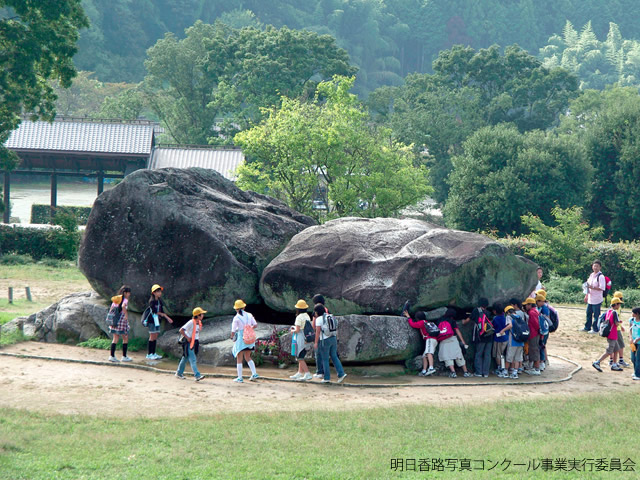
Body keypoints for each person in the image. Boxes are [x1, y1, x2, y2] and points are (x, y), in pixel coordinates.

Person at [313, 303, 347, 384]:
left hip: (325, 340)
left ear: (317, 312)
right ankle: (341, 373)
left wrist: (316, 342)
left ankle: (327, 377)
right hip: (333, 338)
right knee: (334, 356)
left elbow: (317, 332)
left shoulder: (319, 319)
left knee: (325, 359)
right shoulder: (329, 316)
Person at [437, 308, 472, 378]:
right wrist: (463, 341)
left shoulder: (439, 320)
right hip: (452, 339)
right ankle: (465, 372)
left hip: (443, 340)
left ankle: (453, 372)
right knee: (458, 355)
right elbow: (457, 331)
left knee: (448, 357)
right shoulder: (452, 321)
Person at [231, 299, 259, 383]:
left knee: (239, 358)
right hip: (249, 338)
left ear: (236, 309)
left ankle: (240, 377)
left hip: (241, 338)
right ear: (243, 307)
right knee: (248, 357)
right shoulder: (249, 315)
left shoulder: (236, 318)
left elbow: (233, 330)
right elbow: (255, 325)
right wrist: (249, 328)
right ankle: (254, 373)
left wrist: (232, 337)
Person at [592, 297, 624, 372]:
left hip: (611, 334)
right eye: (619, 304)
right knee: (609, 351)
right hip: (612, 334)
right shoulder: (614, 312)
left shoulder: (609, 311)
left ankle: (614, 364)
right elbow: (616, 323)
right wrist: (619, 322)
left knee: (616, 348)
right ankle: (597, 362)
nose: (619, 305)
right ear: (615, 304)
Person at [175, 307, 206, 381]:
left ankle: (179, 373)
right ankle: (197, 375)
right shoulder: (191, 322)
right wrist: (188, 338)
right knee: (193, 359)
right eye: (202, 314)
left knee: (185, 358)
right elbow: (181, 330)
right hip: (189, 343)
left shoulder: (199, 323)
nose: (203, 315)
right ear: (198, 315)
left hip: (195, 342)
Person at [404, 310, 438, 376]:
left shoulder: (422, 322)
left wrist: (408, 317)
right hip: (434, 340)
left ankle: (431, 367)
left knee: (429, 353)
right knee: (424, 356)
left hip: (430, 339)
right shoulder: (427, 322)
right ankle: (424, 371)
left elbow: (413, 325)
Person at [146, 284, 174, 360]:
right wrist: (165, 316)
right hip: (152, 320)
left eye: (160, 291)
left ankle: (154, 353)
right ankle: (149, 354)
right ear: (153, 293)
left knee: (155, 336)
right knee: (152, 337)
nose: (160, 293)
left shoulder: (160, 301)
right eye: (158, 291)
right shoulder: (152, 301)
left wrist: (163, 315)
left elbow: (161, 310)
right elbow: (154, 311)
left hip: (157, 321)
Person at [289, 299, 312, 381]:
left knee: (300, 357)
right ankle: (299, 373)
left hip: (300, 339)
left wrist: (292, 330)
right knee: (301, 355)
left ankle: (307, 373)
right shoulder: (307, 316)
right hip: (306, 339)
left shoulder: (299, 317)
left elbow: (297, 330)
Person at [108, 286, 132, 362]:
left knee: (115, 338)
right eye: (128, 293)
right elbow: (123, 306)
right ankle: (124, 356)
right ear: (125, 293)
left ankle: (112, 356)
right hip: (121, 321)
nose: (129, 294)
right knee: (125, 338)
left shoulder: (116, 299)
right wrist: (126, 315)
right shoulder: (125, 300)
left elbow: (111, 309)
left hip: (114, 321)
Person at [582, 260, 607, 333]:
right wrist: (586, 295)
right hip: (590, 298)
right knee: (588, 313)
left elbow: (602, 288)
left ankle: (595, 329)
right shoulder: (591, 275)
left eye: (597, 266)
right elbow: (587, 286)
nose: (595, 267)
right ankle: (587, 327)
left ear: (600, 267)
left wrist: (592, 287)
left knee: (596, 315)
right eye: (594, 266)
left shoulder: (601, 276)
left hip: (597, 299)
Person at [471, 298, 493, 377]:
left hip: (480, 336)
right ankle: (486, 372)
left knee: (479, 354)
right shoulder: (489, 313)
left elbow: (470, 318)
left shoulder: (476, 311)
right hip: (489, 335)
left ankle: (479, 372)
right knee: (487, 354)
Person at [611, 291, 631, 368]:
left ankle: (612, 360)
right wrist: (619, 325)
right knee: (620, 345)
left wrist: (621, 325)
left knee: (614, 345)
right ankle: (620, 360)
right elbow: (616, 319)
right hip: (616, 329)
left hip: (617, 328)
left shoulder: (614, 307)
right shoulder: (616, 308)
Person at [311, 294, 328, 379]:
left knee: (318, 354)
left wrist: (315, 341)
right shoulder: (326, 309)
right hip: (327, 335)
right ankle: (326, 373)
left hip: (320, 335)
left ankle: (319, 372)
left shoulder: (316, 310)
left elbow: (314, 325)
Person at [523, 297, 541, 375]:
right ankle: (535, 367)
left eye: (526, 305)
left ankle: (536, 368)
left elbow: (536, 324)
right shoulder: (535, 311)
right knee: (534, 349)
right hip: (536, 334)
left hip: (534, 334)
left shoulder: (532, 312)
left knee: (534, 350)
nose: (525, 306)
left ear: (530, 304)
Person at [503, 305, 522, 379]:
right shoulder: (519, 316)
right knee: (517, 358)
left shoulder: (509, 317)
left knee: (509, 357)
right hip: (520, 341)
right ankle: (515, 373)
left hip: (513, 340)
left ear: (507, 312)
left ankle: (505, 372)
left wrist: (502, 330)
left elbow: (510, 325)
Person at [491, 302, 509, 378]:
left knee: (499, 355)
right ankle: (501, 368)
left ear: (495, 311)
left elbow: (492, 327)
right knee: (501, 354)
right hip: (505, 338)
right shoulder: (505, 318)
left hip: (499, 339)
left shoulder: (496, 319)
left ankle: (501, 368)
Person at [535, 292, 550, 371]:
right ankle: (543, 361)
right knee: (542, 346)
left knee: (541, 346)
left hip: (543, 331)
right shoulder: (541, 308)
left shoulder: (544, 308)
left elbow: (546, 319)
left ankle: (542, 362)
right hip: (542, 330)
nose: (543, 302)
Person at [629, 307, 640, 381]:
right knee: (633, 358)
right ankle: (636, 371)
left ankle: (638, 374)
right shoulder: (631, 320)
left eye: (633, 312)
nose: (632, 314)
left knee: (638, 358)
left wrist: (638, 339)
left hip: (639, 342)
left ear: (637, 314)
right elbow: (630, 329)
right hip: (633, 342)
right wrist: (630, 338)